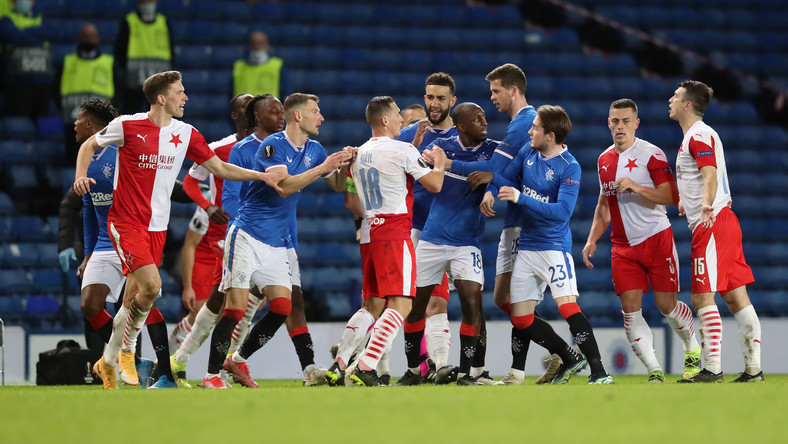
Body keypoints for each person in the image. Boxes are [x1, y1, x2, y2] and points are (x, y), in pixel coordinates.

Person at [73, 70, 284, 390]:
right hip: (126, 222)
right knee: (153, 287)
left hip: (157, 227)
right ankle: (127, 351)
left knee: (133, 299)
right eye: (179, 92)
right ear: (161, 98)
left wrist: (262, 176)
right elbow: (89, 144)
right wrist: (80, 175)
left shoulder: (186, 133)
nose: (185, 97)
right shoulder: (127, 125)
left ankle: (108, 360)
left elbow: (221, 168)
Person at [201, 93, 351, 389]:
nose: (321, 117)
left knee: (282, 307)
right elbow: (282, 186)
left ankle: (238, 359)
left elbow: (335, 185)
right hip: (247, 235)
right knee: (235, 307)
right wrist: (323, 168)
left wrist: (343, 165)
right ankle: (211, 375)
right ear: (298, 116)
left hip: (277, 242)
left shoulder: (315, 148)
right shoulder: (273, 145)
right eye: (315, 112)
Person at [483, 104, 613, 384]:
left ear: (550, 135)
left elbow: (562, 213)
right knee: (520, 317)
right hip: (527, 248)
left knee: (568, 308)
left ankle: (599, 372)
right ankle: (565, 359)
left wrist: (521, 198)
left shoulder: (570, 167)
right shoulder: (529, 153)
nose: (530, 130)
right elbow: (506, 176)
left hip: (554, 248)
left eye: (535, 127)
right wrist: (487, 176)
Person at [582, 99, 701, 383]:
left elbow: (672, 197)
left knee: (667, 307)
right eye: (614, 121)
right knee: (630, 311)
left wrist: (637, 186)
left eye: (625, 121)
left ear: (636, 123)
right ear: (608, 123)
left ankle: (692, 348)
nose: (619, 126)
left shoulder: (652, 154)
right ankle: (654, 371)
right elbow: (603, 206)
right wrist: (592, 239)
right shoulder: (603, 160)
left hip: (656, 238)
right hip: (622, 248)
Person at [445, 63, 544, 385]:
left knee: (514, 299)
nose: (492, 99)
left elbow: (494, 165)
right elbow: (505, 169)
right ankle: (545, 357)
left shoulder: (524, 123)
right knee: (507, 299)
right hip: (515, 218)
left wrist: (449, 163)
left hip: (525, 221)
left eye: (496, 91)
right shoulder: (520, 123)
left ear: (513, 90)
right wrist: (490, 190)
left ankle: (549, 357)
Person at [346, 96, 446, 387]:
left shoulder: (360, 151)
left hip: (370, 230)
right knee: (401, 305)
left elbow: (355, 196)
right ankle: (364, 365)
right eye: (397, 116)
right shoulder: (401, 150)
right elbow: (435, 184)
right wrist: (439, 162)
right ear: (385, 120)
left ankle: (350, 362)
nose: (403, 121)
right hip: (395, 230)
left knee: (375, 303)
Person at [668, 80, 763, 383]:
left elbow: (709, 173)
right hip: (724, 221)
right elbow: (704, 175)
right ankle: (754, 370)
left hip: (711, 223)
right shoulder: (699, 135)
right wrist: (688, 200)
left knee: (702, 297)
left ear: (687, 105)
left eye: (676, 96)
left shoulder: (697, 135)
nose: (670, 99)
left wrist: (705, 204)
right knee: (736, 297)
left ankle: (712, 369)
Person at [403, 102, 498, 386]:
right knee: (415, 306)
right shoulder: (440, 145)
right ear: (461, 126)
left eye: (483, 117)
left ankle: (467, 374)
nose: (484, 122)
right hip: (431, 238)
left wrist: (491, 183)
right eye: (477, 118)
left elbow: (507, 169)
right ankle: (412, 372)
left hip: (466, 243)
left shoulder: (493, 148)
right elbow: (420, 159)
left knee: (472, 302)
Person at [167, 93, 252, 356]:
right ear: (235, 115)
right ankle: (184, 345)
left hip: (251, 233)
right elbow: (190, 245)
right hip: (217, 242)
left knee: (247, 303)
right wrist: (188, 286)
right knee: (221, 308)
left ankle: (228, 360)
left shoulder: (268, 147)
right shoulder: (218, 150)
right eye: (245, 107)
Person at [395, 72, 458, 381]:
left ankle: (441, 365)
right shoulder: (409, 135)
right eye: (430, 97)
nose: (434, 104)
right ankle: (412, 368)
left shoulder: (462, 136)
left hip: (446, 231)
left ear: (452, 101)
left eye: (441, 98)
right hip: (413, 229)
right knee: (410, 303)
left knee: (436, 300)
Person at [58, 23, 114, 160]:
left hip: (100, 126)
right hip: (73, 124)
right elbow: (56, 90)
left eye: (92, 37)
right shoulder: (67, 62)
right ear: (79, 38)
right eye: (86, 37)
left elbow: (120, 92)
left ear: (97, 39)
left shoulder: (109, 63)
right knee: (73, 162)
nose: (89, 40)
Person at [114, 0, 173, 114]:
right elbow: (120, 51)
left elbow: (171, 51)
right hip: (133, 84)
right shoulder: (129, 22)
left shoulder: (164, 23)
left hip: (158, 85)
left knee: (158, 120)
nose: (147, 4)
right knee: (131, 117)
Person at [0, 0, 56, 118]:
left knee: (45, 124)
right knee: (19, 125)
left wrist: (23, 34)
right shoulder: (6, 19)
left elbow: (51, 32)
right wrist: (36, 37)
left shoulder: (41, 20)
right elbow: (11, 35)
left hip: (43, 83)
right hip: (18, 83)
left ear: (33, 2)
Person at [232, 30, 284, 98]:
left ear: (267, 45)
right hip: (243, 108)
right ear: (249, 46)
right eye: (253, 43)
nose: (257, 47)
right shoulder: (238, 67)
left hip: (269, 108)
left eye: (261, 43)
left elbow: (285, 94)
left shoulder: (278, 66)